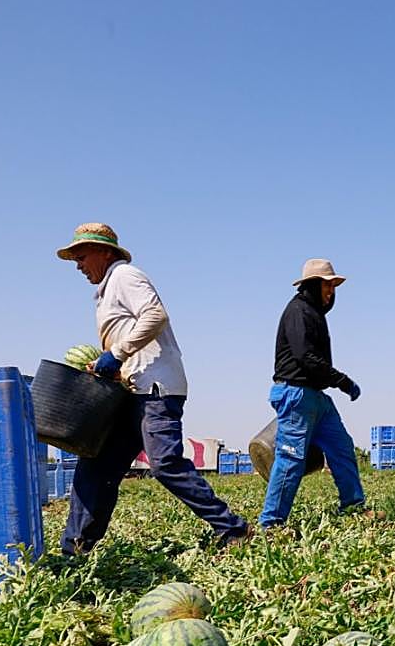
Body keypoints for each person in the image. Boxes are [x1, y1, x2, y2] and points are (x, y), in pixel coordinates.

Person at [56, 223, 251, 554]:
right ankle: (75, 548)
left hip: (156, 390)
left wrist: (116, 354)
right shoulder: (106, 290)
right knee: (96, 466)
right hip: (132, 392)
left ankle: (232, 528)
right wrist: (109, 365)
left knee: (164, 464)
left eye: (81, 256)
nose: (77, 265)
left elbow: (155, 315)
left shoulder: (125, 276)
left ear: (104, 252)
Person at [260, 259, 366, 527]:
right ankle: (271, 524)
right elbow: (305, 357)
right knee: (291, 459)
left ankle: (353, 507)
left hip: (316, 397)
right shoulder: (299, 312)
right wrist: (341, 380)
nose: (332, 291)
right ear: (312, 285)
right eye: (327, 285)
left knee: (341, 449)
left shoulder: (314, 313)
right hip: (296, 393)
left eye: (334, 286)